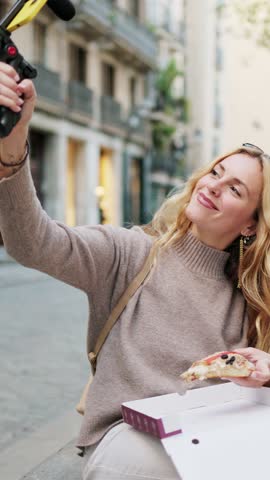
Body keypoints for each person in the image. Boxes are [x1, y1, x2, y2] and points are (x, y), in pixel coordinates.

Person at [0, 61, 270, 480]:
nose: (213, 185)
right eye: (215, 172)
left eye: (235, 189)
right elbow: (32, 243)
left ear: (251, 223)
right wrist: (12, 146)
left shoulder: (253, 299)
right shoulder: (130, 253)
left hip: (214, 445)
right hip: (130, 444)